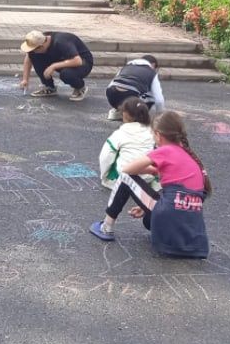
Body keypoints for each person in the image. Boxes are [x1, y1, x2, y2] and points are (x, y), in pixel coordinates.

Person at [89, 111, 212, 259]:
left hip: (168, 213)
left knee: (125, 178)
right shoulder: (190, 157)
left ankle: (106, 227)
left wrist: (152, 170)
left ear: (158, 135)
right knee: (149, 220)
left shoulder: (164, 151)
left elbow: (127, 169)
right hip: (193, 242)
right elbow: (180, 195)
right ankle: (169, 234)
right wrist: (146, 204)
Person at [92, 97, 158, 238]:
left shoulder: (120, 133)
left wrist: (105, 176)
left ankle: (107, 226)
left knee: (124, 173)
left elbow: (106, 156)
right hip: (148, 177)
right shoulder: (152, 132)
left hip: (127, 177)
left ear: (125, 115)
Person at [18, 30, 94, 101]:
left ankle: (80, 88)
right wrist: (25, 79)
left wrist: (53, 66)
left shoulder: (61, 42)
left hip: (83, 62)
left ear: (42, 46)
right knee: (35, 56)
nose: (33, 52)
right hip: (62, 59)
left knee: (66, 74)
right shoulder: (40, 40)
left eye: (34, 49)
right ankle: (49, 87)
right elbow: (29, 58)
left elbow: (78, 61)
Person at [106, 55, 165, 121]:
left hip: (111, 96)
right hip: (131, 96)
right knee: (151, 98)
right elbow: (159, 100)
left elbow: (111, 84)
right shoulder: (152, 72)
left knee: (125, 88)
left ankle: (119, 111)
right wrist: (160, 114)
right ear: (153, 65)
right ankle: (139, 117)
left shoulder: (126, 67)